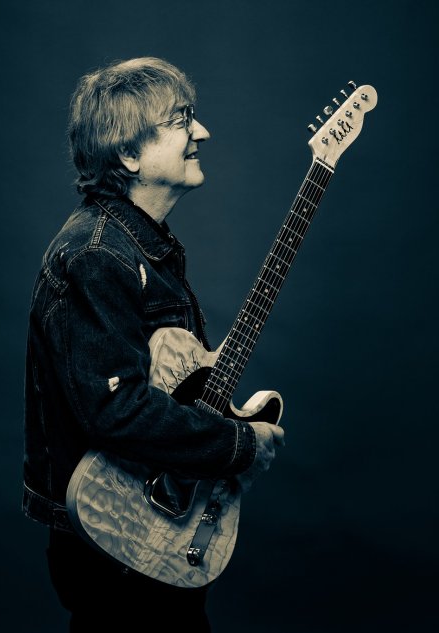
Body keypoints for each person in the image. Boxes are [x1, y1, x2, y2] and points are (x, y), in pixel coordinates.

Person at [22, 56, 285, 632]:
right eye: (181, 120)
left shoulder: (142, 247)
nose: (202, 132)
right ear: (129, 153)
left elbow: (161, 385)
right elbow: (116, 411)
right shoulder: (98, 254)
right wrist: (238, 444)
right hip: (116, 542)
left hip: (159, 525)